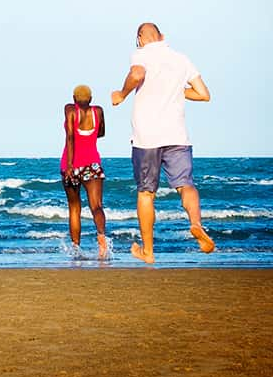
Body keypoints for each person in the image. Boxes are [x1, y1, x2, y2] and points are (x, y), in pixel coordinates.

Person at [111, 22, 214, 264]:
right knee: (186, 185)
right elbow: (203, 94)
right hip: (177, 135)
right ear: (163, 37)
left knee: (146, 192)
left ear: (140, 39)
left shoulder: (141, 54)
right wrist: (177, 89)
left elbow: (137, 74)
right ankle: (196, 224)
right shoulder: (181, 59)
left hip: (147, 138)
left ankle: (148, 251)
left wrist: (122, 94)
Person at [61, 84, 108, 258]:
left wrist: (70, 166)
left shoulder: (70, 110)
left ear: (74, 99)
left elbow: (70, 136)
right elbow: (101, 133)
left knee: (74, 208)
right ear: (91, 99)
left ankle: (76, 248)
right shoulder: (98, 112)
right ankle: (102, 240)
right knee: (96, 206)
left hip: (71, 164)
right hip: (92, 164)